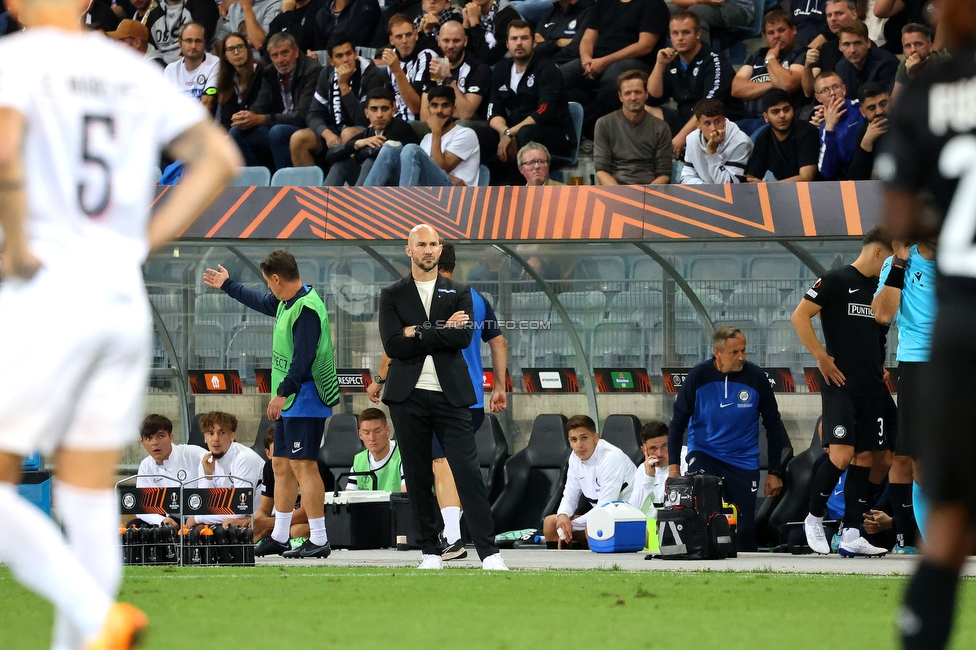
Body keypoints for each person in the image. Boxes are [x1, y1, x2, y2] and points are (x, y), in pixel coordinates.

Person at [0, 0, 239, 645]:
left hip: (48, 290)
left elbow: (4, 156)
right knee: (87, 495)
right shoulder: (129, 70)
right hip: (119, 295)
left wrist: (17, 247)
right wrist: (139, 243)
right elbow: (219, 159)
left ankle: (94, 610)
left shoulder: (18, 62)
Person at [876, 2, 976, 642]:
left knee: (953, 505)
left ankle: (922, 628)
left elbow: (900, 220)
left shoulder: (927, 93)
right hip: (925, 345)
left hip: (961, 324)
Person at [377, 224, 507, 570]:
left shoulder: (460, 291)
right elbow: (392, 344)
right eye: (422, 244)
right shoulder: (392, 294)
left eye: (434, 244)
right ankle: (430, 552)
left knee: (468, 474)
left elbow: (463, 339)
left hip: (452, 397)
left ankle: (490, 553)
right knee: (418, 478)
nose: (429, 250)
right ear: (409, 250)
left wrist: (416, 330)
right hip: (408, 397)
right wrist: (438, 329)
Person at [202, 249, 340, 559]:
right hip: (292, 399)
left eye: (268, 282)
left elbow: (303, 360)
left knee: (304, 465)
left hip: (306, 398)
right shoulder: (285, 302)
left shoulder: (306, 310)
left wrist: (281, 393)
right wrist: (227, 284)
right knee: (280, 464)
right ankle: (279, 535)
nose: (267, 288)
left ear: (277, 278)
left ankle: (319, 538)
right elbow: (258, 301)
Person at [791, 227, 895, 557]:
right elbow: (800, 315)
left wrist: (878, 363)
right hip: (840, 384)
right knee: (841, 455)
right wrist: (821, 356)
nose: (891, 264)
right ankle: (814, 517)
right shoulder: (836, 280)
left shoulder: (881, 289)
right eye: (890, 257)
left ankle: (852, 532)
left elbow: (877, 336)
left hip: (872, 387)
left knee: (872, 457)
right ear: (879, 252)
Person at [666, 326, 787, 551]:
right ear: (717, 352)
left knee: (745, 529)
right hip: (704, 453)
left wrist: (774, 471)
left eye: (744, 351)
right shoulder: (698, 376)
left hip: (743, 461)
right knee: (704, 516)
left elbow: (774, 425)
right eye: (735, 352)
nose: (741, 357)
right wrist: (673, 468)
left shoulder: (756, 378)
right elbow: (677, 423)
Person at [872, 239, 935, 555]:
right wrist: (898, 262)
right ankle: (935, 545)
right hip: (917, 362)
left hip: (962, 359)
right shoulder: (899, 262)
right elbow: (882, 314)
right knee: (919, 461)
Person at [487, 20, 576, 175]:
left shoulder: (547, 69)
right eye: (514, 39)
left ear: (534, 42)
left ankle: (522, 187)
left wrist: (511, 133)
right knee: (482, 135)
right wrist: (504, 131)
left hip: (555, 133)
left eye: (524, 38)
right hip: (515, 130)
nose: (519, 43)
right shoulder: (502, 69)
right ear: (507, 44)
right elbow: (493, 109)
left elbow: (544, 111)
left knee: (526, 134)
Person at [561, 0, 669, 123]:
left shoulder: (653, 4)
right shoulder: (604, 3)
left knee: (613, 79)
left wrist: (605, 61)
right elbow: (587, 38)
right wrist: (586, 60)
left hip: (635, 61)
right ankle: (586, 123)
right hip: (596, 60)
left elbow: (645, 46)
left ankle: (603, 129)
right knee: (558, 77)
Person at [647, 10, 736, 158]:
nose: (680, 38)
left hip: (714, 122)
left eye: (685, 32)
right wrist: (659, 65)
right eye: (675, 33)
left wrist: (682, 137)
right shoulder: (672, 61)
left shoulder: (713, 60)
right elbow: (652, 98)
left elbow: (709, 106)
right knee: (642, 107)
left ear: (698, 34)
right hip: (686, 120)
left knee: (706, 115)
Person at [290, 33, 387, 168]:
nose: (346, 60)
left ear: (355, 54)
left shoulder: (372, 75)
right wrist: (327, 134)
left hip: (363, 132)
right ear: (331, 61)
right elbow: (313, 114)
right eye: (339, 56)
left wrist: (343, 86)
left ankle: (349, 185)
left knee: (347, 134)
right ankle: (311, 188)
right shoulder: (326, 73)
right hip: (334, 131)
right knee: (298, 138)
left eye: (349, 54)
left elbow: (365, 121)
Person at [229, 32, 322, 171]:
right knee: (236, 131)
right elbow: (260, 104)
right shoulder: (269, 73)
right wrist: (246, 117)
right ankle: (255, 184)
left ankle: (283, 186)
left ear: (296, 52)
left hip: (306, 128)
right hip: (276, 126)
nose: (280, 60)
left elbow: (302, 116)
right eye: (275, 55)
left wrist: (260, 119)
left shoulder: (312, 70)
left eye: (284, 53)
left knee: (278, 132)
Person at [544, 415, 636, 548]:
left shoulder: (611, 457)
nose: (579, 445)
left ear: (595, 438)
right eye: (574, 440)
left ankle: (601, 567)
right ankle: (557, 567)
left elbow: (606, 507)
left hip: (627, 517)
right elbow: (570, 495)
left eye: (584, 438)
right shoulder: (574, 457)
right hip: (602, 516)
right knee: (551, 523)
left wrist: (570, 524)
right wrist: (562, 516)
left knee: (593, 527)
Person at [365, 85, 481, 186]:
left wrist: (436, 131)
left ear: (453, 108)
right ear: (429, 109)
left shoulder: (466, 134)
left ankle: (406, 206)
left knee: (411, 149)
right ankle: (365, 203)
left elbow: (441, 168)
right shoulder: (427, 138)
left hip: (454, 195)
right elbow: (423, 170)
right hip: (427, 191)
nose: (439, 111)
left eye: (445, 105)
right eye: (434, 106)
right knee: (389, 149)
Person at [184, 411, 266, 530]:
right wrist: (208, 477)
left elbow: (239, 510)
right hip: (233, 517)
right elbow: (203, 506)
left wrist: (198, 518)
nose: (216, 439)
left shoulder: (244, 458)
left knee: (226, 524)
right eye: (211, 433)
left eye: (221, 433)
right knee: (196, 530)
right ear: (205, 438)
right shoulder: (206, 461)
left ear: (232, 436)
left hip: (258, 518)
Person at [731, 10, 807, 136]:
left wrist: (771, 59)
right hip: (749, 120)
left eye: (781, 30)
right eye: (771, 33)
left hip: (779, 123)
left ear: (793, 30)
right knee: (725, 139)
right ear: (765, 37)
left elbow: (788, 84)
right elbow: (736, 88)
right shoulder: (758, 55)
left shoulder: (801, 53)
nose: (776, 36)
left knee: (754, 143)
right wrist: (775, 83)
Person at [323, 87, 420, 186]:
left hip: (399, 183)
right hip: (378, 183)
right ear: (366, 113)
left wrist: (355, 153)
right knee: (341, 165)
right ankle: (322, 200)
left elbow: (378, 153)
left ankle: (359, 200)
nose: (379, 115)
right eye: (374, 109)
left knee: (370, 162)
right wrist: (356, 144)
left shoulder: (400, 127)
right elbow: (330, 155)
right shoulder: (368, 133)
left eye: (384, 109)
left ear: (393, 110)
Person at [254, 425, 336, 542]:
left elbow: (305, 514)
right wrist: (256, 523)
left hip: (320, 520)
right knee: (256, 531)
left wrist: (266, 523)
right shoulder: (269, 468)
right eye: (279, 452)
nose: (284, 457)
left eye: (286, 451)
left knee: (296, 530)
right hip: (285, 521)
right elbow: (263, 509)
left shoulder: (309, 466)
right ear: (269, 454)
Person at [593, 69, 672, 185]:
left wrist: (646, 196)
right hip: (615, 190)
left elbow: (664, 174)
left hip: (650, 191)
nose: (633, 97)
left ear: (646, 94)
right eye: (628, 93)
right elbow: (601, 170)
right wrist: (621, 196)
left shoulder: (661, 127)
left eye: (638, 92)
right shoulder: (604, 124)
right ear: (620, 96)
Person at [135, 414, 206, 528]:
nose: (154, 443)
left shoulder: (194, 454)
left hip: (200, 518)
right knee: (135, 526)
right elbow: (142, 507)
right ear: (142, 442)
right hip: (170, 518)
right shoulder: (146, 466)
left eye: (160, 436)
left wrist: (200, 518)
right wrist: (162, 520)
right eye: (148, 438)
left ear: (171, 437)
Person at [744, 89, 819, 181]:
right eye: (775, 112)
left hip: (814, 192)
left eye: (786, 110)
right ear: (766, 117)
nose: (782, 115)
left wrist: (768, 187)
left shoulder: (807, 132)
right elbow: (752, 176)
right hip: (780, 192)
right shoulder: (764, 138)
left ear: (792, 110)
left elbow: (806, 178)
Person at [425, 21, 492, 122]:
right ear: (438, 41)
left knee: (462, 124)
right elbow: (424, 115)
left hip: (473, 127)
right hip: (441, 124)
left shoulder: (479, 68)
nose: (451, 46)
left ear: (465, 41)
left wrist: (448, 78)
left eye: (456, 41)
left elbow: (465, 114)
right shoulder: (436, 65)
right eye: (446, 41)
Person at [681, 98, 752, 184]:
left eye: (717, 122)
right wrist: (702, 185)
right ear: (698, 124)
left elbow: (729, 185)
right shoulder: (692, 139)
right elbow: (686, 177)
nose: (713, 128)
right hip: (705, 193)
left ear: (724, 121)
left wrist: (712, 152)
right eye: (707, 123)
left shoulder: (741, 142)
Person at [382, 13, 438, 121]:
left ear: (416, 35)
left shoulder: (427, 57)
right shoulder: (392, 56)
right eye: (399, 37)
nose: (404, 41)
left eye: (408, 35)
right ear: (391, 40)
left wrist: (398, 72)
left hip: (416, 124)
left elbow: (415, 107)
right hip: (394, 121)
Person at [801, 0, 858, 100]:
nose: (833, 19)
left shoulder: (863, 46)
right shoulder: (826, 48)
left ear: (854, 14)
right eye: (829, 15)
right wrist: (808, 66)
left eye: (839, 13)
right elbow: (808, 91)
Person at [814, 70, 864, 180]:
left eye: (835, 87)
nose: (832, 93)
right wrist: (830, 128)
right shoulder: (824, 129)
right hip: (848, 181)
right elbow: (827, 172)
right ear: (818, 97)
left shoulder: (861, 108)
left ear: (844, 89)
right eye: (825, 90)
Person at [835, 19, 898, 99]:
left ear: (868, 42)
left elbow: (886, 103)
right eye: (846, 44)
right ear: (840, 46)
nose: (852, 50)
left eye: (857, 43)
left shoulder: (887, 63)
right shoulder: (841, 67)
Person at [346, 409, 406, 492]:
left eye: (377, 431)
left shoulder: (404, 455)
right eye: (366, 433)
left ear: (387, 430)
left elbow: (407, 497)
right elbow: (349, 497)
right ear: (360, 435)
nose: (372, 438)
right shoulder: (359, 460)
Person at [216, 32, 265, 132]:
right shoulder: (227, 80)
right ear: (225, 55)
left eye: (240, 47)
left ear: (247, 49)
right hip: (235, 131)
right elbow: (225, 117)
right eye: (231, 49)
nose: (236, 52)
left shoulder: (262, 73)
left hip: (259, 127)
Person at [163, 23, 219, 111]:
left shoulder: (215, 63)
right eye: (189, 41)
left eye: (198, 41)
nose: (193, 46)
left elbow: (208, 101)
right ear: (180, 43)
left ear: (204, 43)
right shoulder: (171, 69)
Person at [144, 0, 220, 65]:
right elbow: (151, 51)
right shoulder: (153, 15)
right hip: (162, 70)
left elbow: (199, 42)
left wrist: (174, 67)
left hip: (196, 64)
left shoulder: (203, 4)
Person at [891, 22, 949, 104]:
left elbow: (935, 103)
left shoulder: (944, 64)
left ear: (930, 47)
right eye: (907, 46)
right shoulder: (904, 66)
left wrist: (915, 75)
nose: (913, 50)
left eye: (918, 44)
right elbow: (894, 102)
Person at [847, 82, 889, 180]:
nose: (879, 111)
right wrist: (866, 142)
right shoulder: (864, 131)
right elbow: (854, 180)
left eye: (883, 104)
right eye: (871, 108)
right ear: (863, 112)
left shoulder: (906, 126)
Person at [666, 0, 753, 47]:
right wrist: (699, 1)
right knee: (665, 10)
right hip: (700, 4)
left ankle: (702, 62)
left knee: (697, 13)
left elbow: (717, 1)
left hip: (736, 6)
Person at [534, 0, 594, 67]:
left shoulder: (589, 12)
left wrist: (546, 46)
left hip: (569, 66)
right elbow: (535, 46)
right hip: (543, 65)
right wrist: (557, 43)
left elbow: (575, 50)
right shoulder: (549, 12)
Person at [461, 0, 522, 65]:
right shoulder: (471, 12)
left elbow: (490, 58)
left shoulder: (508, 15)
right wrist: (466, 25)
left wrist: (475, 24)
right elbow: (464, 57)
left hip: (507, 64)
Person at [307, 0, 380, 51]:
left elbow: (356, 40)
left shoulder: (366, 5)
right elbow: (319, 48)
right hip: (330, 65)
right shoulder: (321, 14)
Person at [217, 0, 282, 52]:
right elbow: (220, 38)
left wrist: (246, 7)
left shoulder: (275, 4)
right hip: (235, 62)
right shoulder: (235, 7)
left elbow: (260, 44)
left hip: (259, 63)